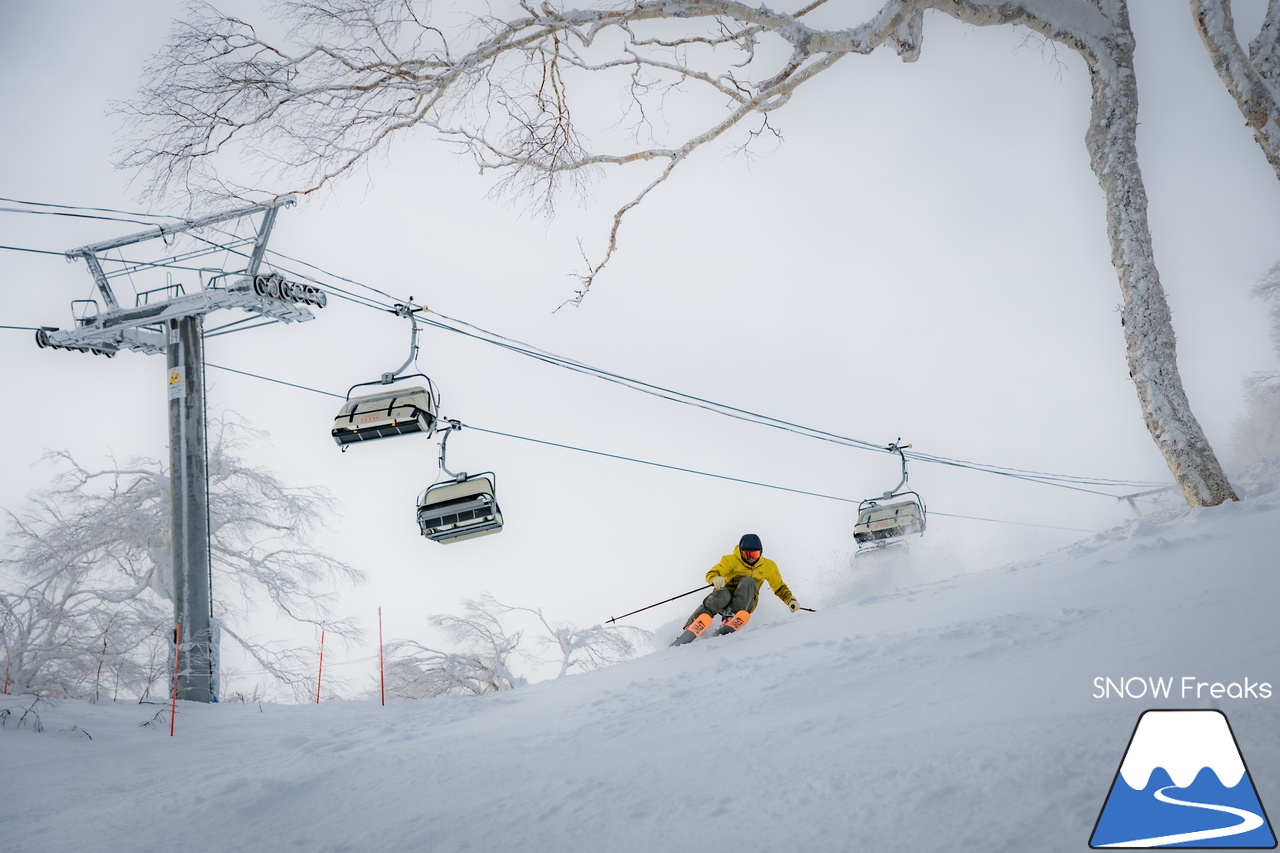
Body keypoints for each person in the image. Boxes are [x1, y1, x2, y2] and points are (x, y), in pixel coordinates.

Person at [671, 533, 802, 646]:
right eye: (747, 554)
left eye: (755, 554)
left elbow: (779, 587)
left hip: (746, 600)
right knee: (721, 594)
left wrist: (790, 600)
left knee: (748, 581)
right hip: (725, 598)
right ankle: (693, 625)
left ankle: (731, 617)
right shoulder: (730, 560)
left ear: (760, 553)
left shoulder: (769, 566)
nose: (750, 557)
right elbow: (712, 573)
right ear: (740, 552)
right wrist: (715, 578)